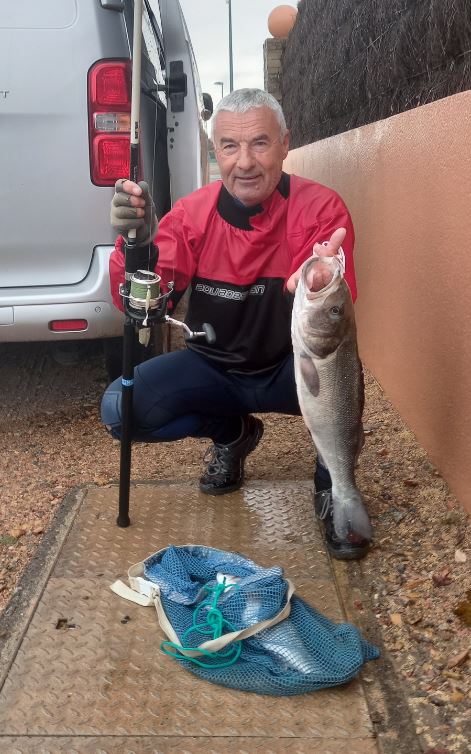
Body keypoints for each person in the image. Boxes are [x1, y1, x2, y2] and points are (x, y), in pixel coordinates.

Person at [102, 88, 370, 560]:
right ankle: (234, 435)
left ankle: (334, 484)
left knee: (343, 379)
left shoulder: (321, 208)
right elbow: (141, 301)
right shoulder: (192, 215)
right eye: (229, 146)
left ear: (286, 144)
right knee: (120, 410)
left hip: (292, 370)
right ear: (215, 150)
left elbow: (335, 306)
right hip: (215, 370)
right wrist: (135, 245)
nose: (244, 162)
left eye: (260, 143)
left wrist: (323, 278)